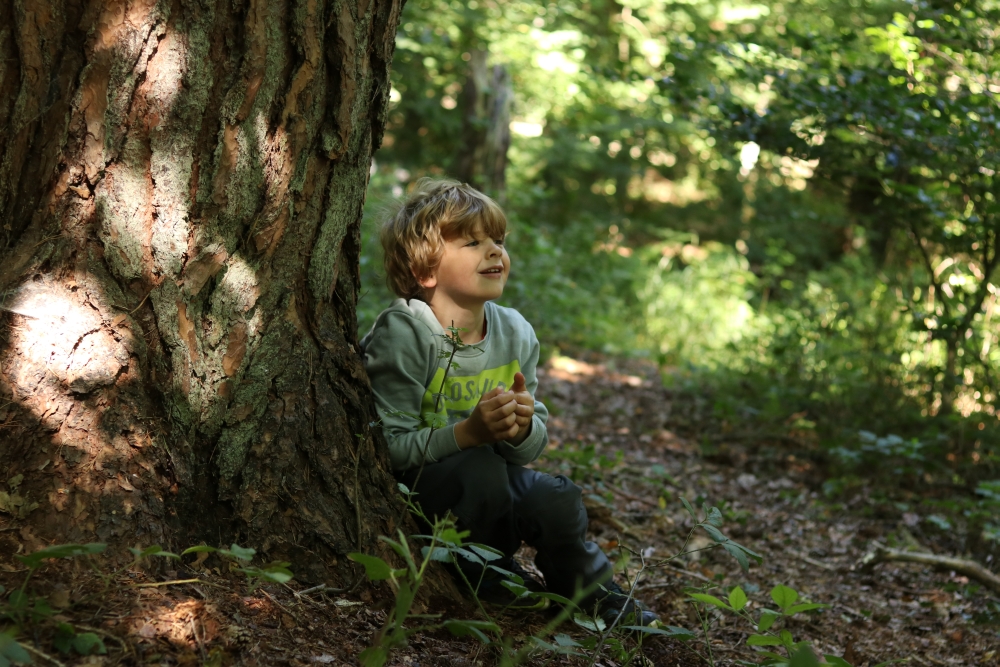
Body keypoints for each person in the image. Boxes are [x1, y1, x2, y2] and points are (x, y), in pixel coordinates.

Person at [360, 178, 658, 628]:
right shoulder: (406, 332)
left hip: (494, 486)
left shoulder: (515, 331)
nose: (495, 251)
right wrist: (468, 434)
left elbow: (529, 447)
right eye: (473, 242)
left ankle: (591, 594)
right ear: (426, 270)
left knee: (556, 497)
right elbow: (391, 448)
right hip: (425, 495)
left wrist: (519, 427)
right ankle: (487, 575)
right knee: (477, 468)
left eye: (498, 240)